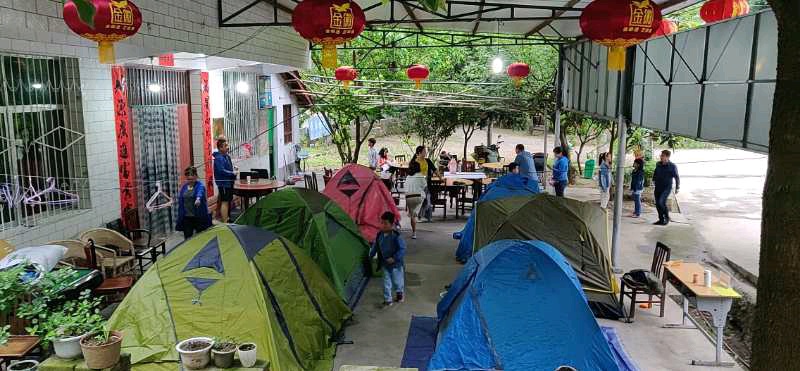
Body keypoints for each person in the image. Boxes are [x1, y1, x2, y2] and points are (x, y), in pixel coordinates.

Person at [369, 211, 406, 307]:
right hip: (384, 263)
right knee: (386, 282)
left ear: (392, 224)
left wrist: (394, 258)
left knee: (397, 281)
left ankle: (399, 293)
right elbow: (376, 246)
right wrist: (370, 255)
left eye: (385, 223)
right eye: (381, 223)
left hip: (396, 265)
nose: (383, 225)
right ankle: (388, 299)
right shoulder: (379, 235)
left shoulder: (396, 236)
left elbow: (402, 249)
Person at [176, 166, 212, 239]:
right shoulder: (184, 187)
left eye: (192, 179)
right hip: (186, 217)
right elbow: (181, 199)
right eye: (188, 179)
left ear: (196, 176)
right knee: (187, 238)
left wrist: (198, 199)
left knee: (201, 237)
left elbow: (200, 192)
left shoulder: (200, 186)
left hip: (198, 217)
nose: (190, 181)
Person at [652, 149, 680, 225]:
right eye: (661, 155)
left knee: (661, 202)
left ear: (667, 157)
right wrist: (653, 180)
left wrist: (677, 187)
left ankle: (666, 218)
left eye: (663, 156)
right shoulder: (658, 164)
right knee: (658, 204)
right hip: (658, 187)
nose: (661, 157)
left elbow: (676, 177)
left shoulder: (672, 166)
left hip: (666, 188)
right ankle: (661, 219)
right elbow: (655, 172)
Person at [213, 138, 237, 223]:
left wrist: (233, 170)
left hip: (229, 182)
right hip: (223, 183)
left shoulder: (226, 156)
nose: (228, 147)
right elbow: (221, 171)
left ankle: (227, 218)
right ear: (220, 148)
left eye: (227, 145)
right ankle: (225, 222)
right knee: (225, 202)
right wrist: (232, 173)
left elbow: (228, 168)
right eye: (225, 145)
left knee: (228, 201)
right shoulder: (219, 158)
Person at [412, 146, 438, 222]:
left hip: (426, 184)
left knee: (428, 200)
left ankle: (428, 217)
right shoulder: (414, 162)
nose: (425, 152)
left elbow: (435, 169)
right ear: (419, 153)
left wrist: (440, 178)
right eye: (424, 151)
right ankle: (418, 217)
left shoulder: (427, 161)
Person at [405, 163, 427, 239]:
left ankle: (414, 233)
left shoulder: (408, 176)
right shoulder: (420, 176)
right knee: (425, 197)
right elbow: (425, 187)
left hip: (408, 197)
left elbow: (406, 188)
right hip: (418, 197)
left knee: (412, 216)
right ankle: (420, 214)